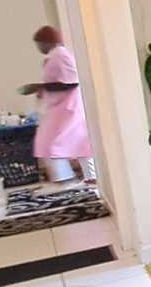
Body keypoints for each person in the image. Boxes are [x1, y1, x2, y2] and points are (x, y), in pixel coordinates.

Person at [19, 26, 96, 186]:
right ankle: (80, 178)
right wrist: (42, 88)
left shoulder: (60, 55)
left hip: (68, 108)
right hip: (61, 107)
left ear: (46, 42)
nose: (38, 47)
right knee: (70, 142)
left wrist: (41, 87)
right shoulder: (55, 56)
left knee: (54, 143)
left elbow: (71, 82)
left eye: (39, 43)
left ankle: (70, 179)